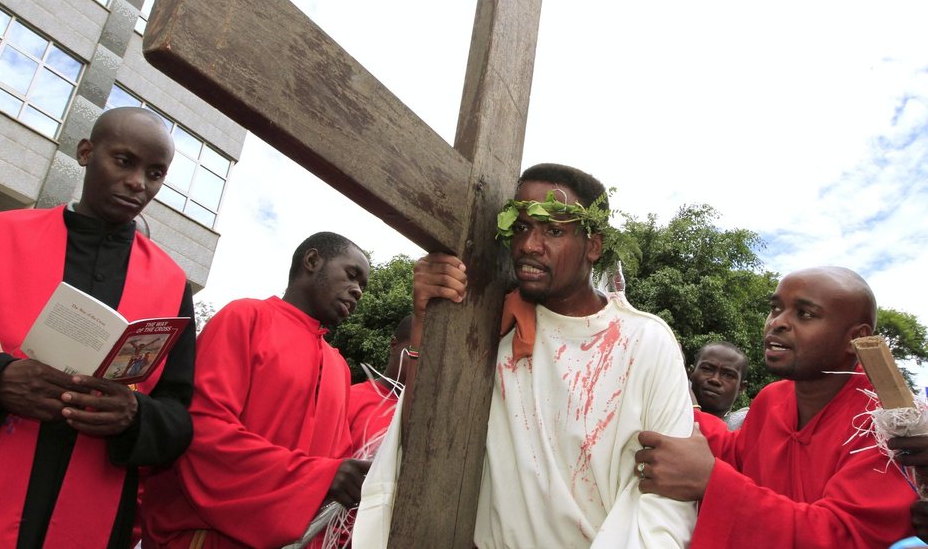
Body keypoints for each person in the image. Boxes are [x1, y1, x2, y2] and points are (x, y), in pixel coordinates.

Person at [354, 163, 697, 548]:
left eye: (553, 230)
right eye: (520, 228)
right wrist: (424, 320)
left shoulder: (646, 342)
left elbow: (667, 499)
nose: (529, 245)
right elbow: (423, 437)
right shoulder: (491, 328)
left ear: (593, 246)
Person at [0, 107, 196, 548]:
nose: (140, 182)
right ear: (86, 152)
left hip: (91, 518)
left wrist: (135, 415)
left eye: (155, 173)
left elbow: (179, 415)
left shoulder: (172, 284)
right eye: (124, 161)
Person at [635, 266, 918, 547]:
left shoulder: (888, 424)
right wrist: (666, 390)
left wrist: (712, 483)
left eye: (805, 314)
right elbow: (731, 456)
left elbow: (843, 536)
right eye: (775, 308)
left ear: (856, 338)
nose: (777, 322)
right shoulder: (772, 399)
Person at [141, 231, 374, 548]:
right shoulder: (244, 317)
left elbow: (336, 464)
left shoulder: (339, 367)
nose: (358, 291)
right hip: (205, 536)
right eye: (352, 275)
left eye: (363, 285)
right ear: (312, 260)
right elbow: (202, 429)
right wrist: (319, 478)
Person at [348, 314, 412, 454]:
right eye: (413, 354)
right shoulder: (350, 399)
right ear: (394, 345)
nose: (420, 364)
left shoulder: (429, 411)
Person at [690, 340, 749, 430]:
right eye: (707, 369)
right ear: (691, 373)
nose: (715, 379)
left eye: (728, 375)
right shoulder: (665, 412)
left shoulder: (746, 429)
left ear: (741, 388)